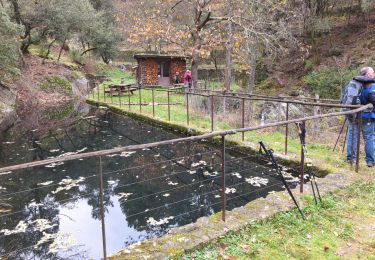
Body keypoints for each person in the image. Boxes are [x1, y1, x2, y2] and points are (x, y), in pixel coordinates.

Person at [346, 67, 375, 167]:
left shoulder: (354, 83)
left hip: (354, 115)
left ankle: (351, 159)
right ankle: (370, 161)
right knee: (369, 138)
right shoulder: (372, 86)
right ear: (366, 74)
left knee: (352, 137)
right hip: (368, 116)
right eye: (372, 72)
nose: (374, 74)